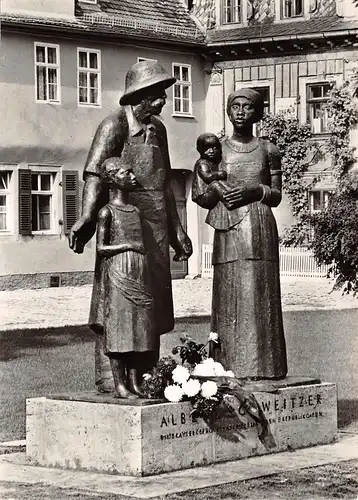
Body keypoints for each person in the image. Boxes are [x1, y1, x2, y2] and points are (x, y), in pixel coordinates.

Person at [69, 61, 192, 392]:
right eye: (159, 96)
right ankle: (112, 379)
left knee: (152, 306)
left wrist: (178, 231)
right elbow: (95, 174)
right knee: (117, 304)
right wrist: (86, 217)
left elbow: (165, 184)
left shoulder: (159, 131)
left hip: (154, 231)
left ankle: (146, 377)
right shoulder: (113, 127)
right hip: (122, 226)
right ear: (141, 96)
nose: (164, 102)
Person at [193, 88, 287, 380]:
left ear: (258, 113)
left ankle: (267, 367)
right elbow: (205, 196)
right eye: (235, 106)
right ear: (228, 111)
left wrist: (255, 190)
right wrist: (206, 188)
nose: (241, 112)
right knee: (229, 293)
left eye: (248, 107)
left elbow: (276, 195)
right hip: (229, 227)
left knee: (261, 293)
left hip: (259, 225)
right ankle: (227, 366)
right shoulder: (216, 150)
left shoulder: (267, 149)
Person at [97, 158, 154, 398]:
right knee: (120, 328)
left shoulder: (135, 211)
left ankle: (134, 382)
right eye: (126, 173)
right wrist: (128, 245)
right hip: (118, 273)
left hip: (139, 271)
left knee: (138, 328)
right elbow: (101, 248)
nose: (133, 177)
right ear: (113, 179)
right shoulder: (106, 212)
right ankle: (120, 385)